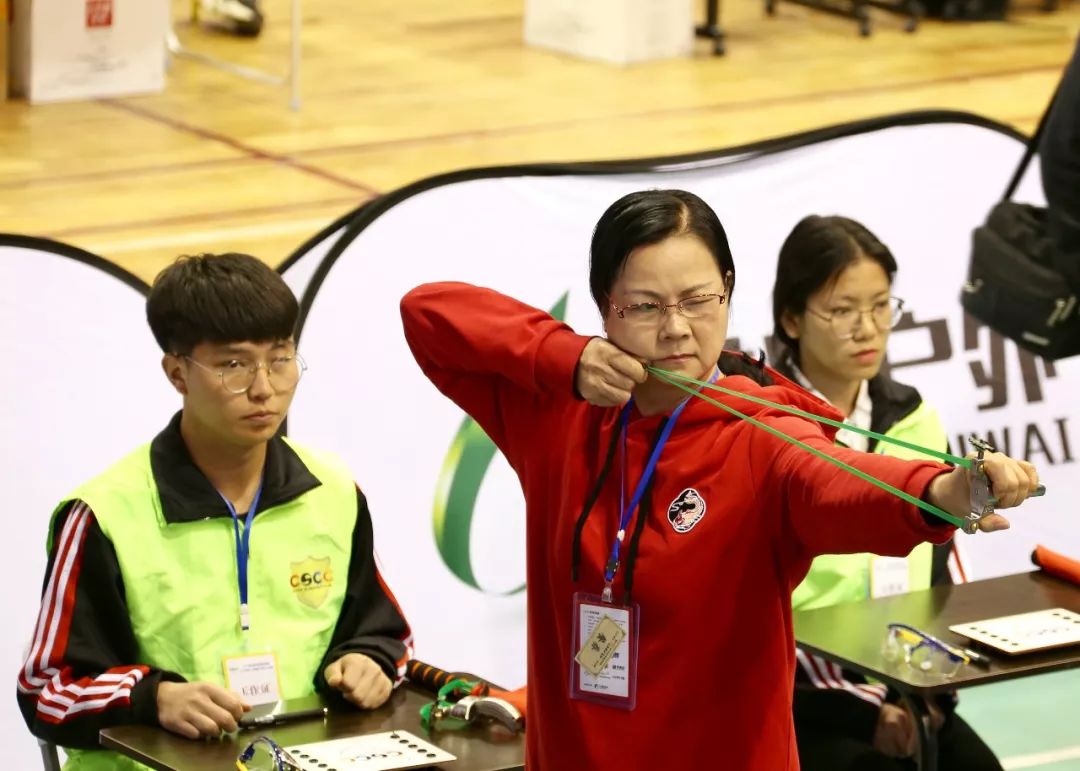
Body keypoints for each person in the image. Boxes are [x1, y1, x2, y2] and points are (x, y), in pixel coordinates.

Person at [399, 189, 1039, 771]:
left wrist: (951, 492)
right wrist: (562, 354)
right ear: (605, 308)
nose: (676, 327)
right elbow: (426, 313)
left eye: (699, 300)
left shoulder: (765, 435)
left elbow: (849, 482)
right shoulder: (560, 411)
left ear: (729, 291)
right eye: (645, 305)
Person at [17, 253, 412, 770]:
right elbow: (47, 690)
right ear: (177, 373)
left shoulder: (332, 490)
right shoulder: (102, 513)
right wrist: (152, 698)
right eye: (233, 365)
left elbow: (384, 633)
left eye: (280, 358)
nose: (264, 388)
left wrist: (370, 661)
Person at [772, 215, 1003, 771]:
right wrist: (863, 714)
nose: (868, 329)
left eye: (881, 306)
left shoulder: (916, 417)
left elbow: (942, 573)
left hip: (907, 681)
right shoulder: (765, 423)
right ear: (792, 319)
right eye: (843, 310)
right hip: (799, 698)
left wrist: (928, 693)